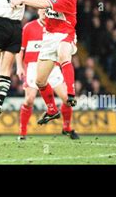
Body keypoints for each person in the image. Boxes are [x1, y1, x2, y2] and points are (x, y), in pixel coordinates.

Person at [11, 0, 79, 125]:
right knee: (39, 81)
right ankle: (52, 110)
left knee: (63, 54)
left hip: (65, 34)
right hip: (48, 38)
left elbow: (43, 4)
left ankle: (71, 93)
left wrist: (22, 0)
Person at [16, 9, 79, 140]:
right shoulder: (29, 27)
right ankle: (22, 133)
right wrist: (19, 67)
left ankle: (66, 128)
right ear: (38, 12)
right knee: (29, 99)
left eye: (47, 10)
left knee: (67, 100)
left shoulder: (56, 27)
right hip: (33, 66)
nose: (44, 12)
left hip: (53, 67)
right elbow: (20, 50)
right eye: (42, 10)